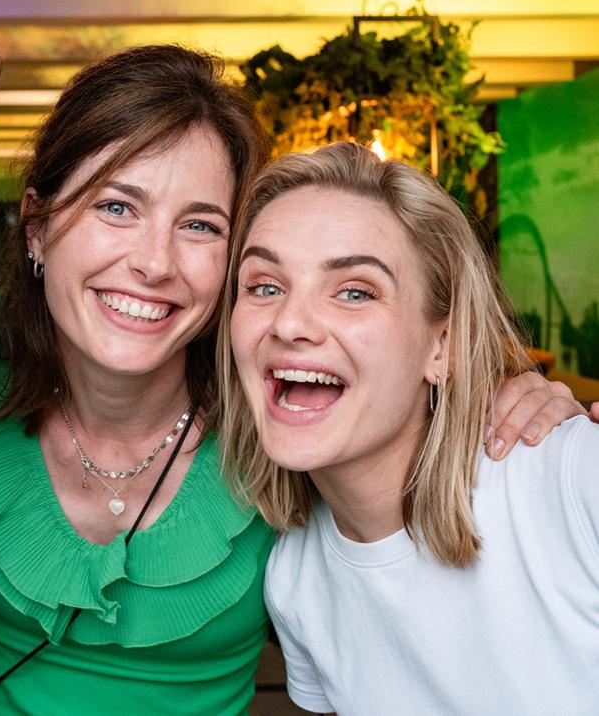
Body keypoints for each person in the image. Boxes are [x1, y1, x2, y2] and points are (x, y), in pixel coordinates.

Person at [0, 47, 587, 715]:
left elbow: (396, 401)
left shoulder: (280, 421)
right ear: (37, 227)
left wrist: (523, 403)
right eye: (116, 207)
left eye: (199, 225)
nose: (155, 263)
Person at [221, 142, 599, 715]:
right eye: (264, 286)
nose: (290, 322)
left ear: (442, 346)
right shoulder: (295, 580)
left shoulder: (570, 480)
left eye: (355, 292)